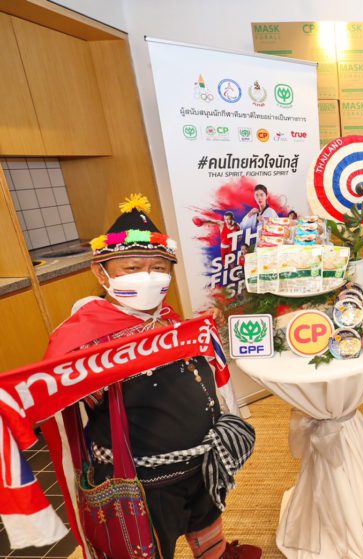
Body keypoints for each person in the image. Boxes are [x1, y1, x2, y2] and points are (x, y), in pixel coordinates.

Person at [45, 194, 261, 559]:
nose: (149, 277)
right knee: (149, 544)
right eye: (132, 267)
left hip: (200, 462)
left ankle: (217, 553)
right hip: (145, 480)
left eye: (159, 268)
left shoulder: (168, 320)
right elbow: (63, 397)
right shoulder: (81, 339)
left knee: (206, 516)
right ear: (101, 272)